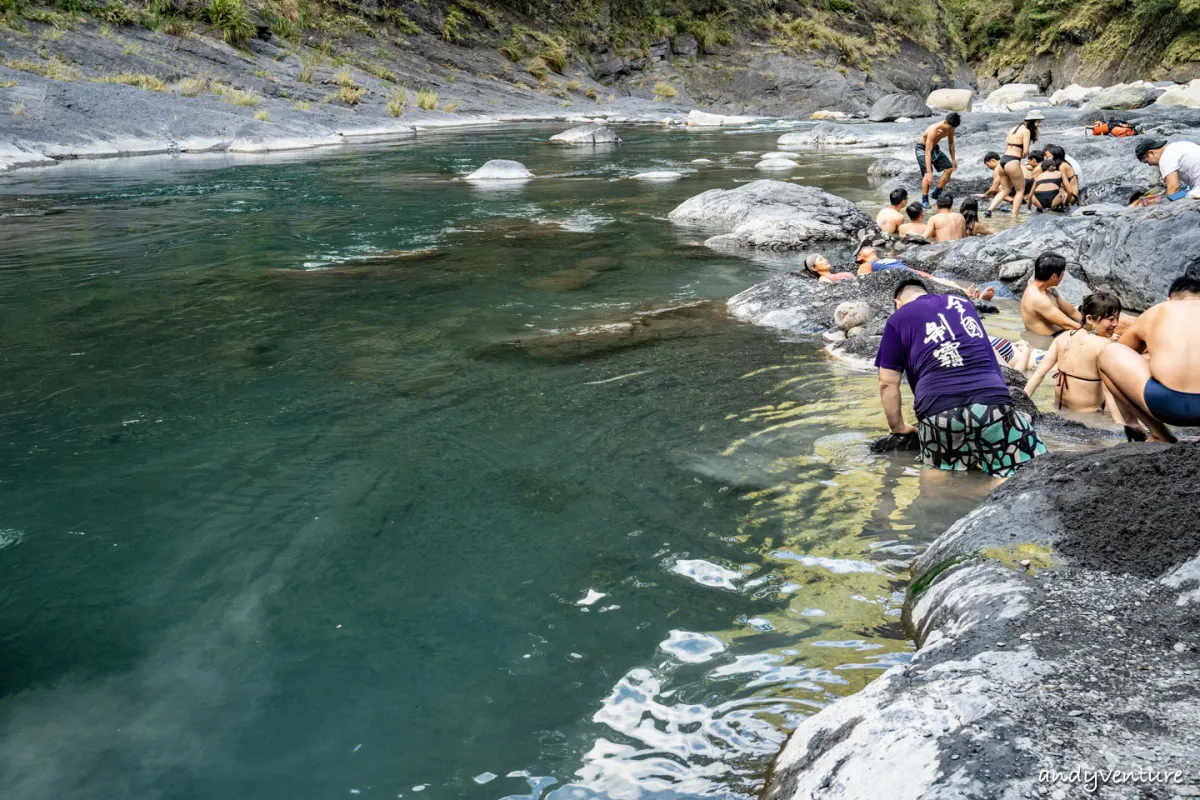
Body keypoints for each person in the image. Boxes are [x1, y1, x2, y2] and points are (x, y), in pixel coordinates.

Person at [876, 278, 1048, 477]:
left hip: (938, 409)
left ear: (898, 303)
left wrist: (897, 427)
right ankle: (997, 486)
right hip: (992, 401)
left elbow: (887, 383)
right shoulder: (962, 304)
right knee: (1029, 474)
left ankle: (968, 489)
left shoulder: (897, 319)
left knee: (938, 484)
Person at [1098, 272, 1200, 442]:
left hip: (1165, 404)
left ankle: (1155, 432)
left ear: (1169, 298)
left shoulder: (1158, 311)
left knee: (1108, 353)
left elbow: (1122, 350)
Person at [1024, 293, 1124, 421]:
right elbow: (1109, 391)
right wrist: (1121, 426)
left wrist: (1021, 401)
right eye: (1111, 319)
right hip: (1088, 416)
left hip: (1059, 408)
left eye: (1117, 318)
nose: (1116, 324)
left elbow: (1039, 374)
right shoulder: (1105, 345)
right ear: (1089, 319)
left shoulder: (1063, 337)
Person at [854, 244, 995, 299]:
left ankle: (969, 294)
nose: (868, 246)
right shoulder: (867, 264)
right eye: (864, 248)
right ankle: (971, 297)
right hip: (905, 281)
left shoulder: (886, 260)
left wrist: (929, 276)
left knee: (945, 281)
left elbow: (910, 269)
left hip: (912, 275)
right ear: (860, 257)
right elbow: (863, 280)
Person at [987, 110, 1041, 220]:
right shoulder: (1026, 131)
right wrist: (1021, 157)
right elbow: (1026, 151)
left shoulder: (1012, 129)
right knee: (1020, 190)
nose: (1038, 124)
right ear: (1032, 121)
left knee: (1005, 190)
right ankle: (1014, 217)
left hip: (1003, 160)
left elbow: (1006, 147)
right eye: (1038, 122)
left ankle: (989, 210)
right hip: (1013, 161)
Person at [1021, 251, 1083, 336]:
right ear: (1053, 277)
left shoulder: (1049, 290)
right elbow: (1067, 324)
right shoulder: (1037, 298)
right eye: (1062, 273)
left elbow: (1072, 311)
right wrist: (1093, 330)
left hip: (1058, 332)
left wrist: (1088, 322)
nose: (1062, 276)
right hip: (1046, 340)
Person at [917, 112, 961, 209]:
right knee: (927, 175)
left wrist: (953, 158)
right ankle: (924, 199)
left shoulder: (952, 127)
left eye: (953, 128)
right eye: (949, 127)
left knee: (949, 168)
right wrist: (929, 172)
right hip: (923, 148)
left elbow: (951, 143)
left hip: (934, 148)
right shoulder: (934, 130)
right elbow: (927, 152)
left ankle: (937, 193)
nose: (951, 130)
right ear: (945, 122)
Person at [1135, 137, 1200, 199]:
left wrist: (1167, 202)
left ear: (1151, 153)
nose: (1150, 165)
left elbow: (1173, 189)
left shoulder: (1165, 158)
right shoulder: (1176, 146)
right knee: (1185, 192)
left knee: (1178, 198)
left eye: (1147, 161)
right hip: (1195, 184)